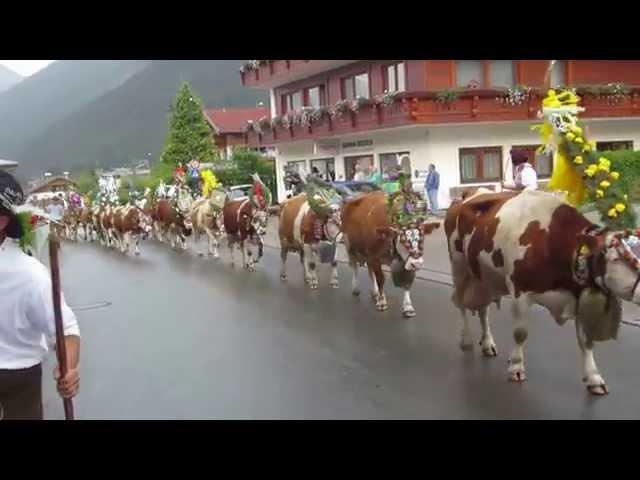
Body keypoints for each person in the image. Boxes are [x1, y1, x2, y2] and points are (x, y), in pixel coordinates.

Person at [0, 171, 80, 420]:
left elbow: (66, 329)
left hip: (18, 380)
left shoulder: (30, 275)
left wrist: (69, 369)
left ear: (2, 220)